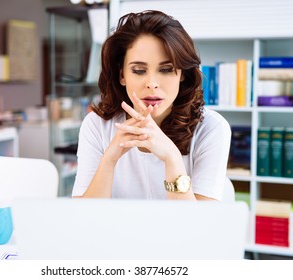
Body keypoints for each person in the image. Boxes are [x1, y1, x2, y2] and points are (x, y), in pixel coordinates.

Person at [72, 10, 231, 201]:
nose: (152, 83)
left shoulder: (211, 128)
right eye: (139, 70)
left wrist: (172, 157)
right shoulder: (96, 125)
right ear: (122, 75)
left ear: (182, 75)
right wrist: (109, 160)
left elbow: (198, 227)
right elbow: (85, 220)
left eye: (166, 69)